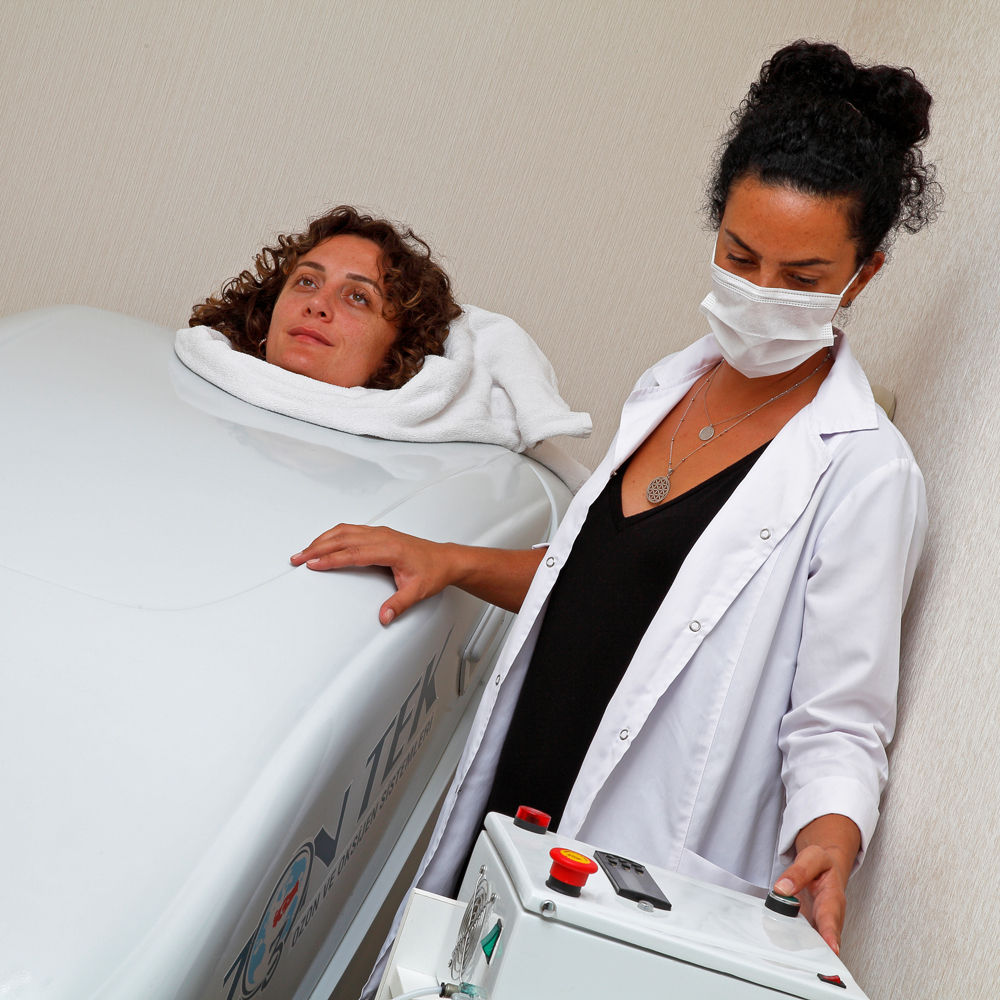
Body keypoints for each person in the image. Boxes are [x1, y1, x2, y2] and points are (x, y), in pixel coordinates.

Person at [292, 40, 939, 968]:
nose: (761, 293)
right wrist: (450, 559)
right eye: (740, 256)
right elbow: (599, 581)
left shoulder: (865, 471)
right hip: (520, 802)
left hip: (639, 849)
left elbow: (840, 719)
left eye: (801, 278)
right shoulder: (671, 384)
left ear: (862, 275)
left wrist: (832, 837)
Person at [189, 205, 462, 389]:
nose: (317, 303)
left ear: (398, 351)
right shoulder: (193, 381)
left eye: (358, 297)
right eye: (307, 281)